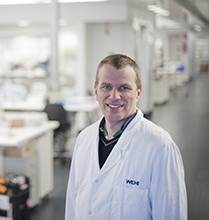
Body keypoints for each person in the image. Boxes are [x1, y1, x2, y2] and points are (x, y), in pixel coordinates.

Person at [65, 54, 187, 219]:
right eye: (106, 87)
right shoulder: (83, 139)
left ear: (138, 92)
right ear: (96, 91)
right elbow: (72, 205)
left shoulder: (160, 147)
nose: (114, 96)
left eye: (124, 87)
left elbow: (170, 214)